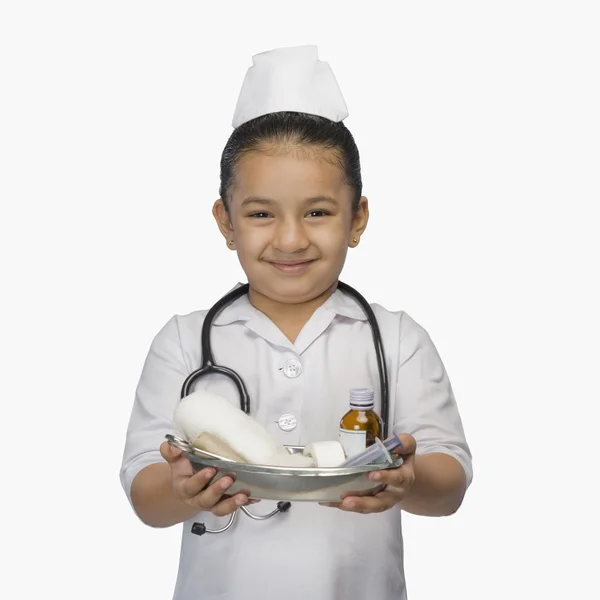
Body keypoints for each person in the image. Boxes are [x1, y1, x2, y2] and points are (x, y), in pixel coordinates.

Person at [119, 45, 473, 600]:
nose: (290, 239)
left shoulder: (397, 339)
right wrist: (183, 488)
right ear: (226, 222)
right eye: (261, 214)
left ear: (357, 218)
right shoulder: (185, 342)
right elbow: (146, 494)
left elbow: (448, 485)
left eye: (318, 212)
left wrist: (406, 479)